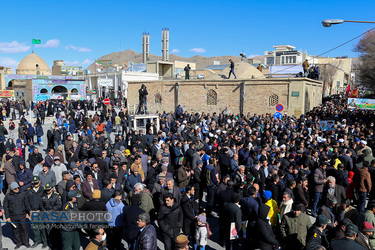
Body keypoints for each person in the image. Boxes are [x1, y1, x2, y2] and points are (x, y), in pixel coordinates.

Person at [3, 182, 31, 249]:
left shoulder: (23, 194)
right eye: (15, 188)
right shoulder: (8, 196)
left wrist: (28, 213)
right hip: (13, 217)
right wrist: (7, 217)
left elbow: (26, 203)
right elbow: (6, 207)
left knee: (24, 230)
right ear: (12, 189)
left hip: (22, 215)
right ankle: (19, 243)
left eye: (18, 187)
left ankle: (26, 242)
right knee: (16, 231)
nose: (17, 189)